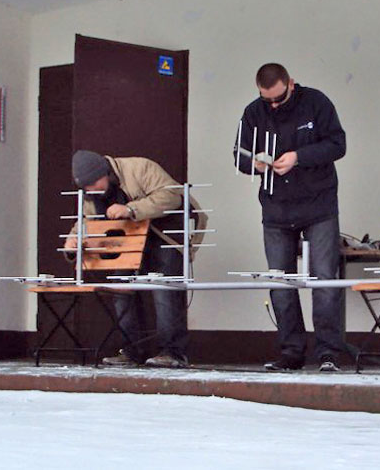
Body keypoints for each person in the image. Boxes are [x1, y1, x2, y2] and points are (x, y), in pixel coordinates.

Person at [234, 63, 347, 372]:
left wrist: (299, 157)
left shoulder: (316, 102)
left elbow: (338, 145)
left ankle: (328, 353)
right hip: (276, 209)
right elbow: (239, 155)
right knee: (280, 283)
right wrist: (256, 164)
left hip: (318, 206)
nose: (272, 104)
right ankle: (291, 352)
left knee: (324, 280)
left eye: (278, 98)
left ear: (291, 84)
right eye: (266, 99)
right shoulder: (253, 112)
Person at [64, 150, 207, 368]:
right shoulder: (91, 194)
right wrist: (72, 241)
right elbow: (85, 220)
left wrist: (131, 209)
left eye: (93, 183)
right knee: (121, 288)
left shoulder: (140, 168)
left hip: (165, 234)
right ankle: (131, 351)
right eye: (85, 187)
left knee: (164, 289)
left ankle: (173, 352)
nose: (90, 190)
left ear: (105, 172)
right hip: (129, 241)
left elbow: (171, 196)